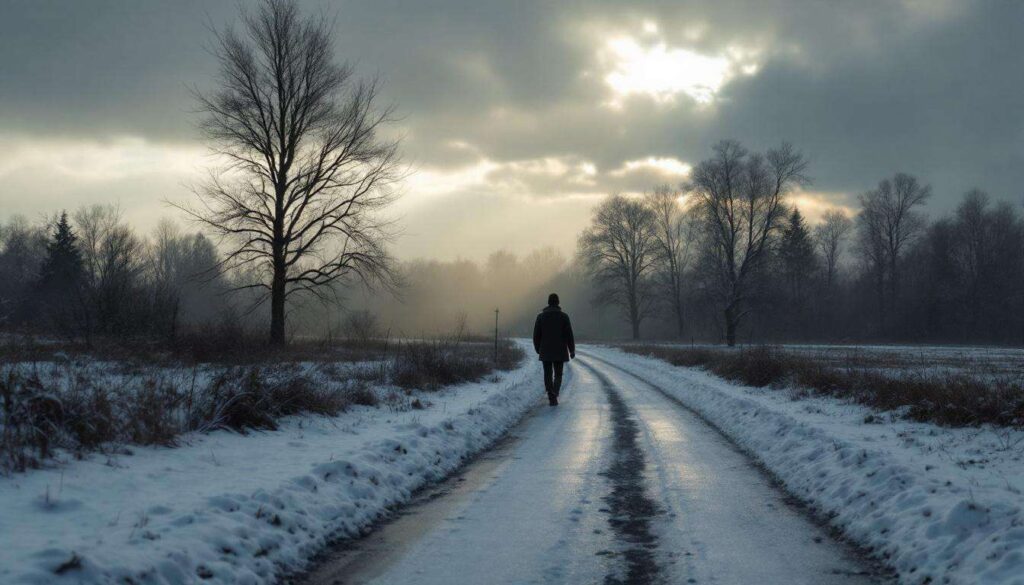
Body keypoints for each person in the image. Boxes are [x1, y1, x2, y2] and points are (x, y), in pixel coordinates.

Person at [532, 293, 575, 406]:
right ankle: (555, 392)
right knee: (558, 374)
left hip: (545, 350)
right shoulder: (564, 317)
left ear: (548, 302)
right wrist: (572, 350)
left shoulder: (541, 317)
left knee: (547, 373)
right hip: (560, 350)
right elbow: (569, 334)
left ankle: (550, 392)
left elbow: (536, 335)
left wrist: (538, 348)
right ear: (558, 302)